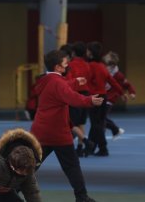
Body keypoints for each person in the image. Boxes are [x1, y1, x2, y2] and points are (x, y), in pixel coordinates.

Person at [30, 50, 103, 202]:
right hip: (58, 133)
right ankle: (82, 197)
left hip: (40, 132)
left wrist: (75, 82)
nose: (67, 66)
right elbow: (72, 97)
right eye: (65, 64)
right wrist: (89, 100)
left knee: (29, 165)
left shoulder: (47, 80)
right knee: (72, 166)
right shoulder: (57, 83)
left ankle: (9, 191)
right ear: (58, 67)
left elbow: (61, 86)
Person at [86, 42, 123, 157]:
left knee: (96, 124)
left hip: (94, 98)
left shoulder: (90, 66)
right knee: (97, 123)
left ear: (90, 53)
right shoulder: (102, 67)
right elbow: (112, 81)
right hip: (103, 96)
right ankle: (91, 147)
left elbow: (85, 81)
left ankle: (103, 148)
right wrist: (122, 93)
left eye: (88, 50)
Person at [66, 42, 94, 157]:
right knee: (81, 122)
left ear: (73, 53)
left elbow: (69, 82)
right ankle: (80, 147)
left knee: (71, 123)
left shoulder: (70, 65)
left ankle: (86, 141)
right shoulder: (87, 65)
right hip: (86, 94)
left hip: (75, 94)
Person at [102, 51, 137, 140]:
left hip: (110, 98)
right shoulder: (103, 70)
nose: (106, 66)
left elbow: (127, 85)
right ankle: (115, 130)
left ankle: (113, 131)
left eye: (108, 64)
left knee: (101, 118)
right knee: (100, 119)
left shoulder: (118, 75)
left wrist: (132, 93)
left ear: (113, 65)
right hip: (102, 96)